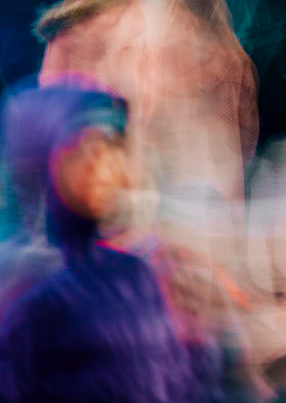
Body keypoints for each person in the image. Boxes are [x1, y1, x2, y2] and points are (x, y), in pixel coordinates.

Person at [0, 83, 200, 402]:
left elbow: (178, 381)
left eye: (112, 147)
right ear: (40, 161)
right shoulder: (23, 290)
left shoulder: (136, 275)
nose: (104, 167)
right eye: (83, 150)